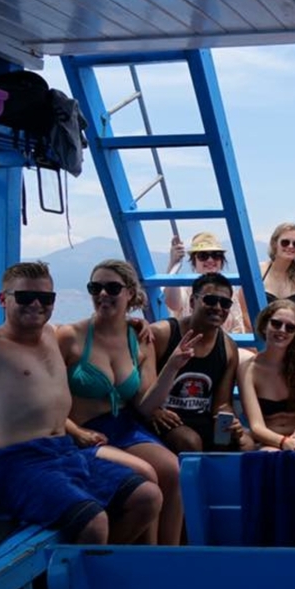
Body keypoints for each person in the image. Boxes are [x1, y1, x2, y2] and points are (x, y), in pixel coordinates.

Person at [0, 256, 162, 544]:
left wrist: (131, 322)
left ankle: (104, 568)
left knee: (148, 498)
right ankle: (89, 580)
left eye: (44, 297)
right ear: (3, 299)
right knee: (94, 524)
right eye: (25, 297)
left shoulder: (52, 334)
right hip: (22, 463)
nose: (36, 304)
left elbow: (99, 329)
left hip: (67, 453)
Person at [57, 259, 193, 546]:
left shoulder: (139, 338)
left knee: (172, 469)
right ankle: (146, 556)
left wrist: (173, 367)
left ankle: (168, 556)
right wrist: (74, 431)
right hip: (82, 433)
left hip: (122, 427)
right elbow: (47, 399)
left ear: (130, 293)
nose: (103, 294)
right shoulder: (70, 337)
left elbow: (145, 405)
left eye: (112, 288)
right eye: (96, 287)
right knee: (145, 474)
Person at [146, 272, 245, 454]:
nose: (217, 307)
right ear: (192, 302)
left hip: (201, 419)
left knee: (243, 444)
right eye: (210, 300)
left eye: (225, 303)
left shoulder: (229, 348)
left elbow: (222, 403)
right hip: (161, 417)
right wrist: (155, 411)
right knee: (190, 442)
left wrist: (230, 420)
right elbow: (144, 391)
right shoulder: (162, 335)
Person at [238, 300, 295, 452]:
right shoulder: (249, 369)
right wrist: (283, 442)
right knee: (270, 456)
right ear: (265, 325)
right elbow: (256, 426)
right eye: (276, 324)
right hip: (267, 440)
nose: (282, 330)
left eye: (290, 328)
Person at [165, 232, 250, 333]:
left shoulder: (228, 290)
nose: (210, 260)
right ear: (194, 261)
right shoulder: (185, 288)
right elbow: (173, 303)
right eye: (203, 255)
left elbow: (237, 326)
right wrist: (174, 264)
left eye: (216, 255)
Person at [258, 222, 295, 320]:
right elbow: (245, 312)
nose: (291, 246)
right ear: (274, 244)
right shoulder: (259, 270)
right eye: (285, 242)